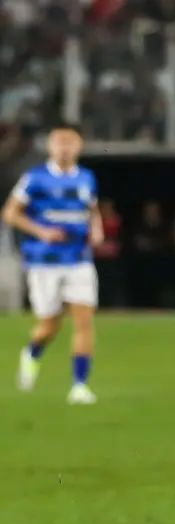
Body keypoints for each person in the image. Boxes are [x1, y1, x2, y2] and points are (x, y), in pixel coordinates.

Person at [3, 122, 103, 404]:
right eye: (59, 141)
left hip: (79, 259)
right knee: (49, 325)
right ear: (49, 145)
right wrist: (41, 231)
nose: (64, 146)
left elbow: (92, 209)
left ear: (79, 145)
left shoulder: (86, 178)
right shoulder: (34, 178)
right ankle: (31, 353)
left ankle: (79, 386)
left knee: (84, 321)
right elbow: (10, 213)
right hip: (44, 262)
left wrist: (97, 229)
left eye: (70, 141)